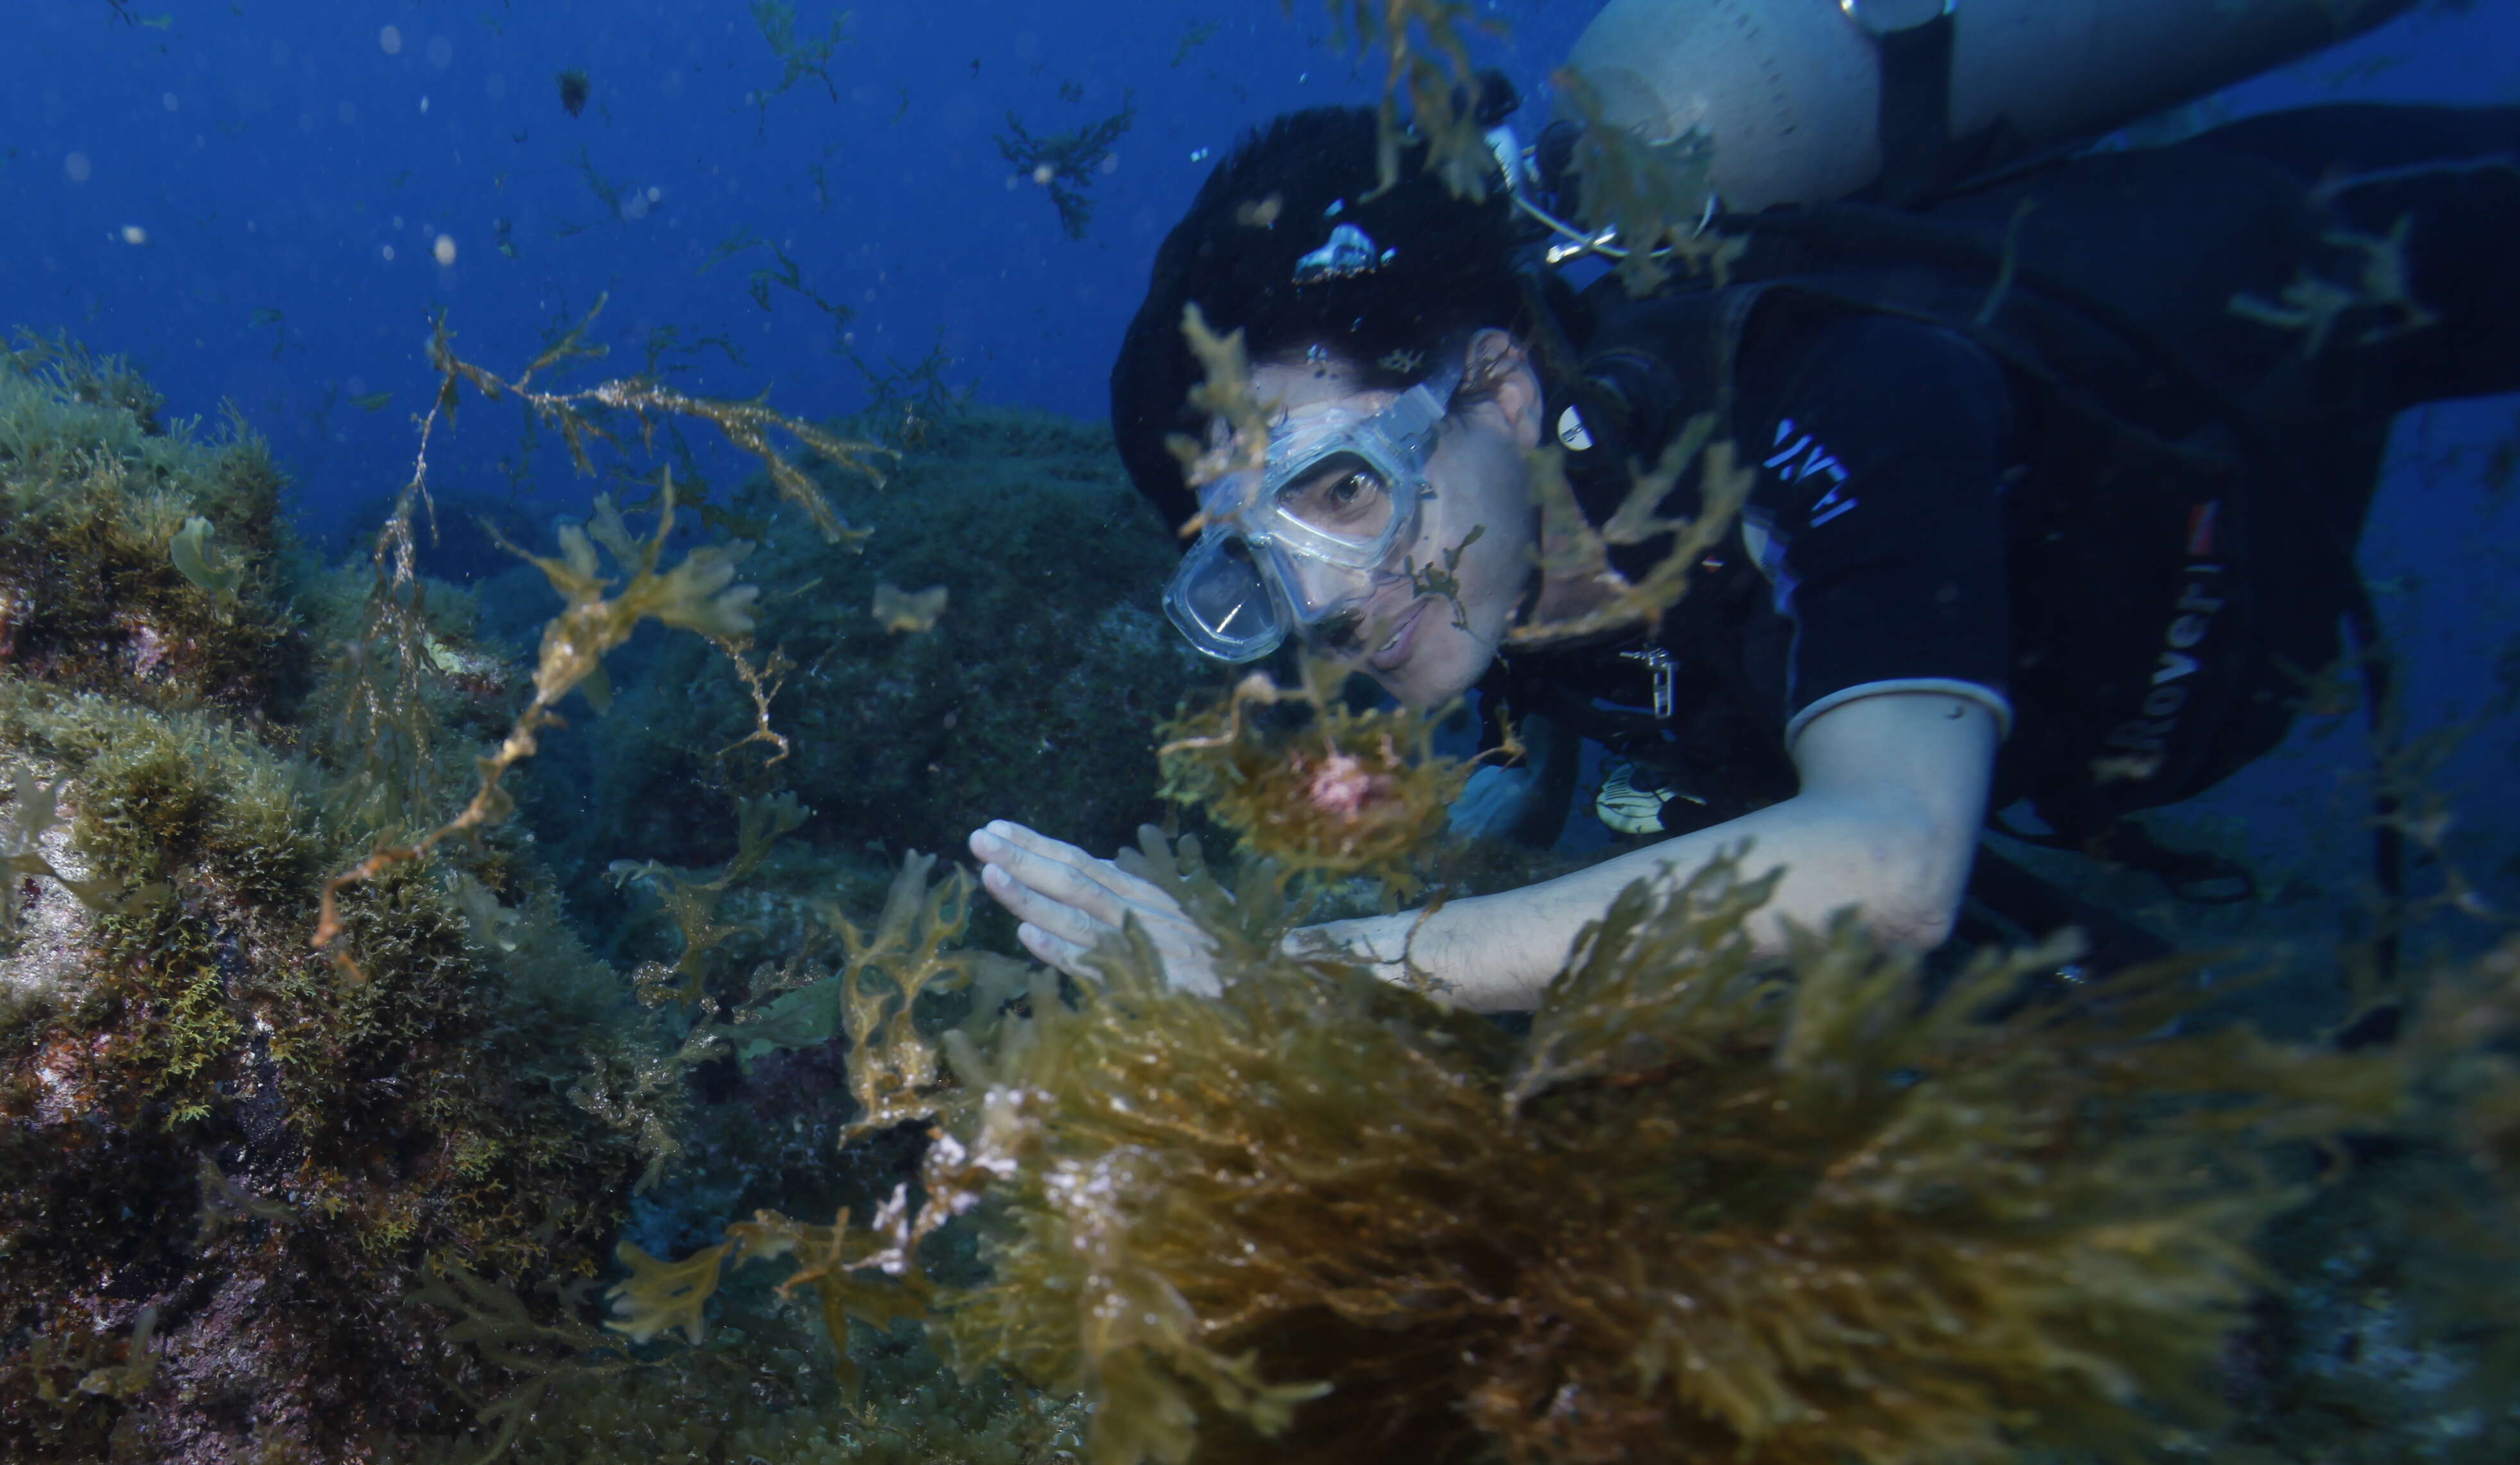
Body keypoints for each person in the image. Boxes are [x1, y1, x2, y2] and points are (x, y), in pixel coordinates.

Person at [971, 100, 2520, 1013]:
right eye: (1249, 569)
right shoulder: (1522, 614)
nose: (1319, 604)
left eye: (1344, 495)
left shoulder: (1830, 393)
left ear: (1502, 391)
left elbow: (1894, 862)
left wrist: (1312, 971)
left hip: (2290, 283)